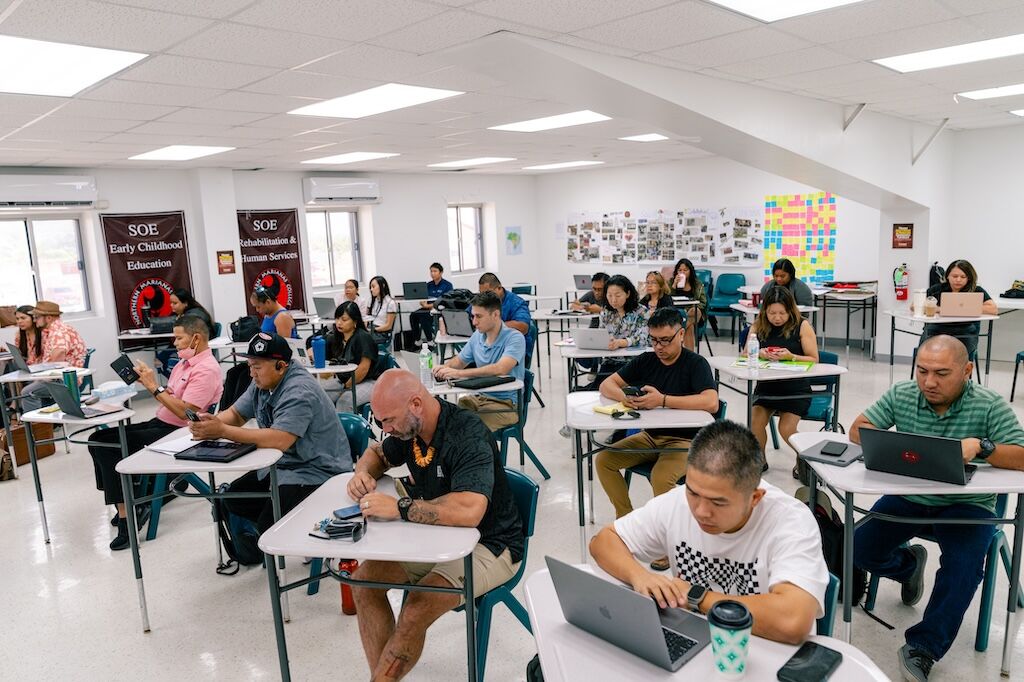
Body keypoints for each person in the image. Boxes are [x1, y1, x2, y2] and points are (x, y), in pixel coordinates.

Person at [849, 335, 1024, 682]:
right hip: (909, 497)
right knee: (857, 546)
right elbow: (858, 430)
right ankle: (908, 565)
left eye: (942, 373)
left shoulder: (989, 405)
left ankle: (923, 648)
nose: (929, 382)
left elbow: (1021, 456)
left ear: (967, 370)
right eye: (922, 370)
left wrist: (983, 447)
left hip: (967, 506)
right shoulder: (902, 394)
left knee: (963, 569)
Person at [347, 369, 524, 682]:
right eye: (380, 422)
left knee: (416, 607)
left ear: (416, 404)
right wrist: (363, 473)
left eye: (388, 420)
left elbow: (470, 509)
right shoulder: (410, 431)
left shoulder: (466, 433)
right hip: (439, 535)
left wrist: (400, 508)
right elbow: (377, 454)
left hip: (491, 543)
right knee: (364, 582)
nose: (385, 429)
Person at [590, 420, 828, 645]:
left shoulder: (790, 521)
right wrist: (640, 576)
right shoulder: (676, 503)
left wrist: (697, 597)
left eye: (718, 503)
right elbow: (603, 541)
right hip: (698, 640)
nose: (701, 512)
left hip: (762, 647)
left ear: (755, 498)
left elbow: (792, 621)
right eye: (693, 493)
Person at [188, 332, 352, 532]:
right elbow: (236, 414)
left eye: (257, 367)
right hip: (283, 465)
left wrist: (222, 430)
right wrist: (209, 424)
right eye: (250, 366)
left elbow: (279, 440)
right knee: (233, 498)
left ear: (281, 366)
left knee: (270, 523)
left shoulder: (299, 391)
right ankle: (262, 541)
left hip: (316, 471)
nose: (252, 373)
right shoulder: (263, 382)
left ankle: (289, 536)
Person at [594, 307, 719, 570]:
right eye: (654, 340)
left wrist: (661, 400)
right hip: (651, 438)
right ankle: (627, 525)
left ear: (681, 334)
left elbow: (711, 402)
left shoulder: (695, 364)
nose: (659, 347)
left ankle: (667, 543)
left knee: (661, 477)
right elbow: (607, 385)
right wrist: (624, 398)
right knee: (604, 459)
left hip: (687, 442)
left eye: (665, 340)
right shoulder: (647, 359)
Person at [90, 316, 223, 550]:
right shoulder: (183, 364)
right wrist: (148, 383)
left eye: (179, 337)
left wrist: (154, 386)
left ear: (196, 338)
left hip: (182, 432)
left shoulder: (207, 370)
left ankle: (126, 517)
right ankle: (130, 500)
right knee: (97, 439)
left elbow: (184, 413)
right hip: (162, 423)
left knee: (106, 445)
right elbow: (168, 397)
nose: (175, 342)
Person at [743, 286, 819, 478]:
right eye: (771, 313)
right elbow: (745, 354)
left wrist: (791, 356)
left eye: (782, 313)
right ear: (764, 310)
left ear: (790, 310)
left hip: (795, 388)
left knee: (786, 428)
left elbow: (813, 359)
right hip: (767, 386)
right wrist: (758, 353)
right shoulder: (758, 324)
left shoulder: (802, 325)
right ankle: (760, 459)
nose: (777, 318)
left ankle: (805, 460)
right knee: (755, 422)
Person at [434, 291, 524, 432]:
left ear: (495, 315)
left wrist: (459, 373)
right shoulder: (478, 336)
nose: (474, 322)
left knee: (464, 429)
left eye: (479, 316)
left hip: (506, 406)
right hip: (480, 398)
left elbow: (501, 368)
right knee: (447, 420)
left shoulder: (515, 338)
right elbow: (459, 360)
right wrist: (443, 368)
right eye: (472, 316)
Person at [921, 258, 998, 358]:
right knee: (926, 352)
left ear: (968, 278)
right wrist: (931, 307)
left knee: (958, 358)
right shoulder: (937, 289)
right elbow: (915, 306)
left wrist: (953, 308)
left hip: (965, 331)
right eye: (955, 276)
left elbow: (993, 309)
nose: (958, 280)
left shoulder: (976, 290)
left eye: (963, 277)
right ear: (947, 276)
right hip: (937, 329)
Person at [20, 301, 87, 412]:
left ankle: (37, 427)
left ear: (49, 318)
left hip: (65, 379)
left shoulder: (59, 332)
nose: (35, 320)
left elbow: (59, 355)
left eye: (37, 317)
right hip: (60, 376)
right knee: (30, 384)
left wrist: (42, 374)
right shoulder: (52, 331)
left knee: (27, 393)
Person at [319, 301, 381, 413]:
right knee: (320, 394)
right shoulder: (336, 338)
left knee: (345, 401)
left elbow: (363, 369)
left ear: (355, 321)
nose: (339, 323)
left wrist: (345, 387)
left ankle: (345, 430)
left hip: (369, 381)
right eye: (337, 319)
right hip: (344, 380)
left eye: (344, 319)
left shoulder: (363, 337)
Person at [156, 288, 214, 371]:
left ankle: (179, 382)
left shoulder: (193, 317)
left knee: (166, 364)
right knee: (159, 360)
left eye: (175, 303)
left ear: (185, 303)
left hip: (196, 348)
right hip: (187, 345)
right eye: (171, 303)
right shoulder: (183, 314)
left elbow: (190, 339)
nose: (171, 305)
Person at [409, 262, 453, 344]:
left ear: (441, 272)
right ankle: (417, 340)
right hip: (427, 308)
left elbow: (445, 301)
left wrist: (428, 305)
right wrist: (422, 302)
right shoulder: (428, 285)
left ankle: (430, 341)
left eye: (435, 271)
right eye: (431, 271)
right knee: (413, 315)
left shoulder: (447, 285)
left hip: (439, 310)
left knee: (424, 317)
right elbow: (422, 297)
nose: (432, 273)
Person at [670, 258, 707, 351]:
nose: (682, 272)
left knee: (694, 311)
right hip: (677, 313)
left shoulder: (697, 284)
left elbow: (703, 302)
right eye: (680, 270)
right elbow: (667, 300)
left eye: (685, 270)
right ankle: (691, 356)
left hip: (693, 314)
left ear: (690, 271)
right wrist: (674, 285)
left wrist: (689, 310)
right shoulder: (671, 281)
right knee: (689, 327)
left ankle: (675, 334)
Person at [367, 275, 398, 345]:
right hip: (371, 329)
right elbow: (367, 318)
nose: (371, 289)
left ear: (382, 286)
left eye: (373, 286)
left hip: (382, 333)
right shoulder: (371, 301)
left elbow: (388, 326)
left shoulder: (390, 303)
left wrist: (373, 330)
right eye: (370, 287)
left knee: (361, 339)